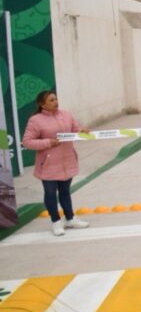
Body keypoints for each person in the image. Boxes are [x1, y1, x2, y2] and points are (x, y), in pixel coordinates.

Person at [22, 91, 90, 236]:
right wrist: (48, 142)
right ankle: (56, 222)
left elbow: (75, 130)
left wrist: (81, 131)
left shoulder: (66, 115)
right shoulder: (36, 120)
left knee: (65, 192)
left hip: (67, 161)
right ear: (42, 104)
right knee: (50, 193)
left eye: (56, 99)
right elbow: (27, 142)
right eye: (51, 100)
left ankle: (70, 218)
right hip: (48, 164)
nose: (56, 102)